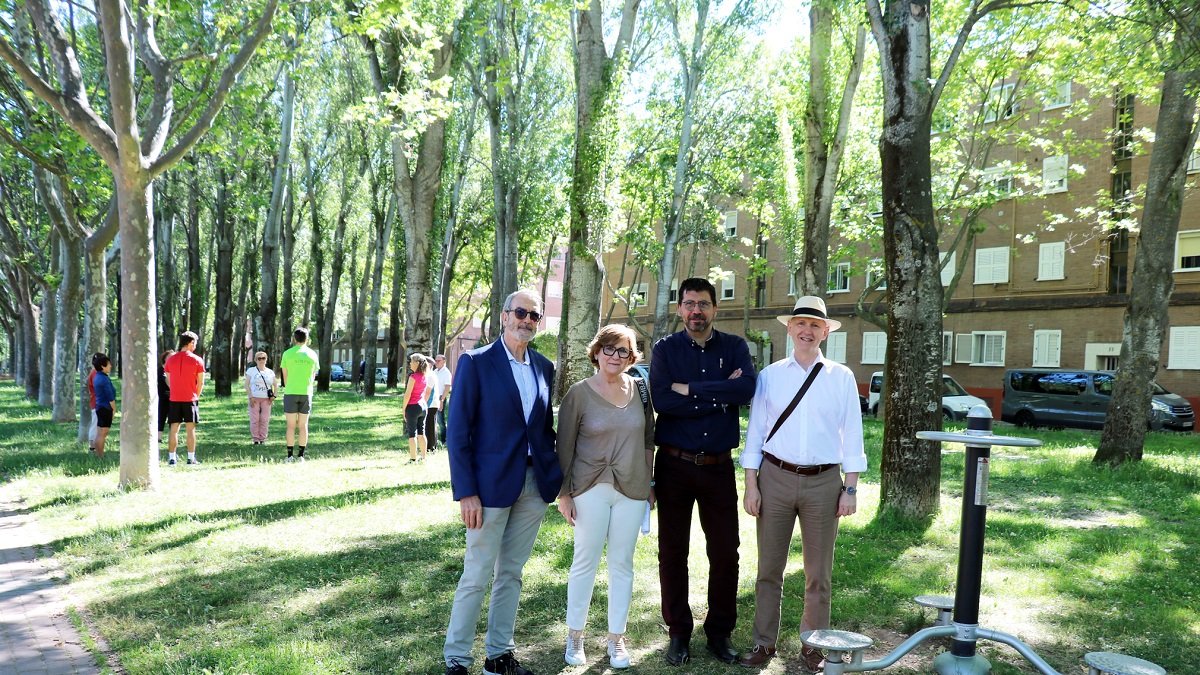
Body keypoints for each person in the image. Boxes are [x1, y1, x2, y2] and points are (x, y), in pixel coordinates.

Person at [737, 296, 867, 672]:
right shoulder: (770, 375)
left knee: (818, 574)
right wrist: (751, 484)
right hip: (774, 478)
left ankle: (814, 644)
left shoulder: (841, 377)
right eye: (801, 324)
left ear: (825, 332)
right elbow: (756, 433)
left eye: (815, 325)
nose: (807, 331)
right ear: (789, 329)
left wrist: (851, 488)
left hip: (824, 482)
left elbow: (853, 436)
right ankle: (764, 644)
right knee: (768, 569)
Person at [443, 289, 561, 675]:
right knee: (476, 573)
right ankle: (457, 660)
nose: (528, 320)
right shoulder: (476, 363)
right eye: (521, 313)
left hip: (533, 485)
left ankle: (499, 656)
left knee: (511, 573)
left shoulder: (544, 367)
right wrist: (466, 492)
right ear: (505, 315)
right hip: (489, 487)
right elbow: (458, 431)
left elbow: (544, 430)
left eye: (535, 315)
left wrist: (555, 476)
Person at [649, 276, 756, 666]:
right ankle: (678, 632)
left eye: (704, 304)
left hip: (718, 468)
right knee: (672, 553)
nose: (697, 311)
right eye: (690, 304)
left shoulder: (735, 347)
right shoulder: (664, 350)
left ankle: (719, 633)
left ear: (715, 308)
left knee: (726, 553)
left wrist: (689, 388)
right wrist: (717, 391)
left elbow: (745, 390)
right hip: (674, 465)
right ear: (680, 309)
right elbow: (662, 399)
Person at [556, 324, 655, 670]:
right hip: (588, 488)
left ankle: (616, 639)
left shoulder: (642, 390)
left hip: (632, 489)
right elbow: (563, 447)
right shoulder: (579, 394)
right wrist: (564, 493)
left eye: (623, 351)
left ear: (632, 357)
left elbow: (647, 440)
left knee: (622, 565)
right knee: (585, 562)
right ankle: (575, 635)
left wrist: (648, 484)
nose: (616, 356)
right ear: (597, 352)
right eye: (610, 349)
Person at [163, 331, 206, 466]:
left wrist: (176, 391)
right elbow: (200, 383)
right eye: (195, 343)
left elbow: (168, 381)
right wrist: (196, 396)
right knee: (190, 429)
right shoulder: (198, 360)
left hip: (174, 398)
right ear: (190, 343)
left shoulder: (170, 360)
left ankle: (172, 458)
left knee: (173, 429)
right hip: (190, 399)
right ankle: (191, 458)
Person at [280, 327, 320, 463]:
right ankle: (301, 456)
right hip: (306, 393)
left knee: (291, 426)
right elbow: (313, 376)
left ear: (294, 338)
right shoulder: (313, 355)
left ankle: (290, 456)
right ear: (307, 339)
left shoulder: (287, 354)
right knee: (303, 425)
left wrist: (291, 385)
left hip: (290, 392)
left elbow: (285, 377)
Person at [401, 352, 432, 463]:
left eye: (411, 361)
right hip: (423, 406)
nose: (410, 363)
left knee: (412, 434)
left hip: (413, 407)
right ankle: (423, 457)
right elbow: (427, 391)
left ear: (417, 363)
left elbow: (407, 394)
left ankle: (413, 459)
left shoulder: (413, 377)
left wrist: (403, 409)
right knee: (421, 433)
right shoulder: (425, 376)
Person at [245, 351, 276, 445]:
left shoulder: (270, 372)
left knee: (264, 419)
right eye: (259, 358)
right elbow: (246, 385)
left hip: (266, 399)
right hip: (254, 398)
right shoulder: (251, 371)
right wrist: (250, 397)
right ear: (255, 360)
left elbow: (275, 385)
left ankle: (263, 439)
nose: (261, 360)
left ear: (266, 359)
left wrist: (274, 395)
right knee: (255, 419)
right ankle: (255, 439)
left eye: (263, 358)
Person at [92, 354, 116, 459]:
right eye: (109, 364)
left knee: (99, 432)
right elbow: (110, 396)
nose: (110, 366)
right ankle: (101, 456)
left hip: (99, 407)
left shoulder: (98, 377)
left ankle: (98, 454)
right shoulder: (104, 379)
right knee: (103, 433)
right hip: (105, 408)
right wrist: (114, 409)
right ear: (103, 366)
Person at [424, 354, 445, 453]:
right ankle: (432, 445)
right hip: (431, 404)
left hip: (431, 404)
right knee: (431, 425)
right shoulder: (431, 375)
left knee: (430, 425)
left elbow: (428, 392)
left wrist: (424, 403)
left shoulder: (430, 376)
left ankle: (431, 447)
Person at [434, 354, 453, 442]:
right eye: (436, 360)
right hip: (433, 397)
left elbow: (447, 387)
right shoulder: (435, 371)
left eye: (438, 361)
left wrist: (442, 400)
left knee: (440, 421)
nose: (436, 362)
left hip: (440, 397)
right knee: (433, 420)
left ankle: (443, 440)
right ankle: (434, 439)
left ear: (444, 361)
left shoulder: (446, 373)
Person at [157, 350, 175, 443]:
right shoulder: (160, 370)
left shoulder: (175, 370)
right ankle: (158, 437)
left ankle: (172, 437)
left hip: (173, 397)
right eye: (169, 357)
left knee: (173, 418)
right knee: (161, 416)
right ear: (164, 359)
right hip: (162, 397)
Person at [86, 354, 101, 454]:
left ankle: (96, 446)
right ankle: (92, 447)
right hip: (97, 403)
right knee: (95, 424)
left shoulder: (96, 373)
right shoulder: (95, 373)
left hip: (98, 402)